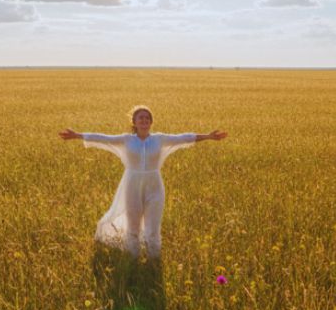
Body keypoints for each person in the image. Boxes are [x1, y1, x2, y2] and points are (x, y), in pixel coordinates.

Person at [60, 106, 227, 260]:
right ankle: (133, 259)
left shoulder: (160, 139)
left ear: (151, 122)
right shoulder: (126, 139)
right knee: (133, 228)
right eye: (140, 118)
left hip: (155, 186)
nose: (144, 120)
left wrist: (208, 136)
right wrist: (78, 135)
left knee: (153, 227)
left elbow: (183, 138)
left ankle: (154, 260)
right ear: (134, 122)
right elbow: (103, 138)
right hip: (132, 185)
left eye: (147, 118)